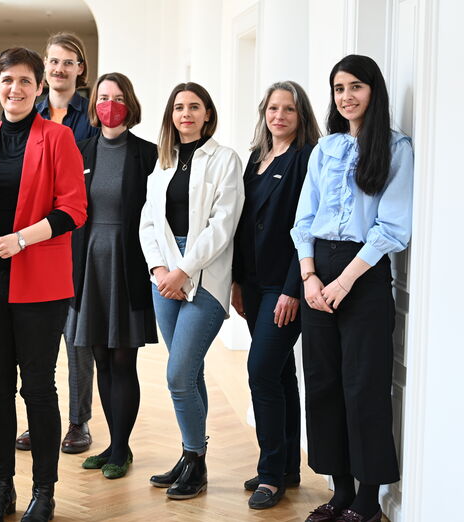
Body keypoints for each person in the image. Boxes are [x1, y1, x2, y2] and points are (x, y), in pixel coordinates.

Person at [0, 47, 86, 522]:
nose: (13, 88)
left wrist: (21, 239)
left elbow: (73, 209)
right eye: (6, 80)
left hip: (38, 281)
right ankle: (2, 489)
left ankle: (44, 491)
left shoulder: (57, 138)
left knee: (37, 386)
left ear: (38, 88)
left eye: (23, 81)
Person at [292, 54, 413, 522]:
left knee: (363, 385)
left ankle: (367, 499)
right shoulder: (325, 149)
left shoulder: (397, 149)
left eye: (355, 87)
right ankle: (339, 491)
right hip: (317, 269)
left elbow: (392, 227)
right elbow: (304, 218)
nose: (346, 97)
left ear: (373, 91)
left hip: (362, 274)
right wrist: (309, 276)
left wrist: (343, 280)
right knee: (322, 382)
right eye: (339, 88)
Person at [139, 82, 243, 500]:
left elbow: (223, 224)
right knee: (190, 370)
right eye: (179, 107)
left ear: (207, 113)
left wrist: (183, 269)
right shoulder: (161, 162)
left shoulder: (225, 160)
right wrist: (160, 268)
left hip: (205, 273)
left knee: (178, 374)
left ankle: (196, 463)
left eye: (194, 106)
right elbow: (148, 221)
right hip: (163, 276)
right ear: (171, 115)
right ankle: (188, 454)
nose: (186, 113)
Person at [230, 81, 321, 509]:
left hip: (283, 286)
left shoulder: (306, 159)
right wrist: (234, 280)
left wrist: (293, 290)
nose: (279, 115)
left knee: (261, 371)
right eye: (272, 108)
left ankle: (270, 476)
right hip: (251, 283)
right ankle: (287, 467)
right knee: (282, 373)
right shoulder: (256, 159)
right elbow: (241, 222)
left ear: (301, 116)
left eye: (288, 109)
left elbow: (308, 228)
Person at [68, 72, 157, 480]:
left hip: (128, 263)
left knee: (123, 359)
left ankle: (122, 447)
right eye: (103, 97)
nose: (110, 104)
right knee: (100, 357)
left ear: (130, 103)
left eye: (118, 97)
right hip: (88, 264)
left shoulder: (149, 154)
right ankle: (112, 443)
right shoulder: (80, 150)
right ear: (93, 104)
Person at [18, 32, 99, 455]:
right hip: (34, 238)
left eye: (69, 62)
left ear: (79, 69)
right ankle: (38, 419)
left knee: (76, 336)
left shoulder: (94, 116)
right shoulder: (27, 113)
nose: (60, 69)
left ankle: (78, 421)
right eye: (53, 61)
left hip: (79, 235)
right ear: (44, 67)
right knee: (35, 338)